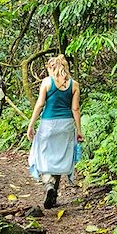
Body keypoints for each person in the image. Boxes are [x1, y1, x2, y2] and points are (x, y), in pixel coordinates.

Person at [27, 54, 83, 209]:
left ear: (52, 68)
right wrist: (79, 130)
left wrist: (31, 124)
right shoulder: (74, 85)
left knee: (42, 156)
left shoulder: (46, 82)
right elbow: (75, 109)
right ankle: (54, 192)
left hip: (48, 125)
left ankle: (49, 186)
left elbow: (39, 104)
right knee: (59, 157)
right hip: (66, 126)